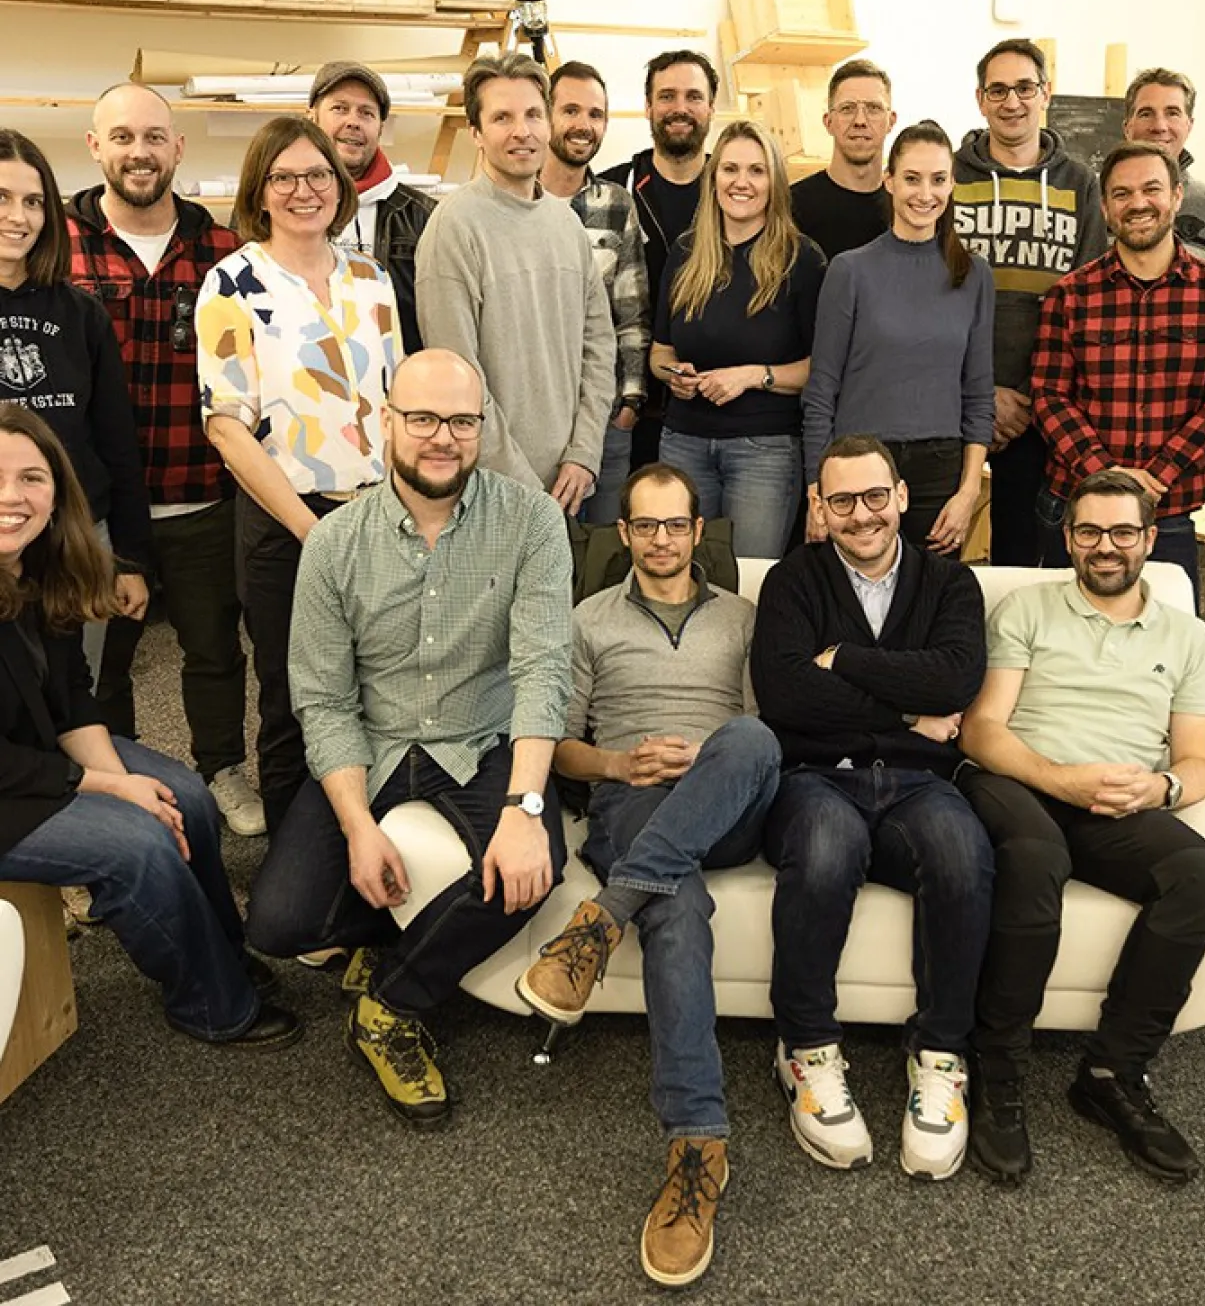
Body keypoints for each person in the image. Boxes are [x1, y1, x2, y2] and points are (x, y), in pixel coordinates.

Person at [245, 350, 572, 1127]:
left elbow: (542, 673)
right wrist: (358, 827)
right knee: (277, 923)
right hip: (377, 740)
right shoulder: (332, 543)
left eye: (462, 421)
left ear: (481, 430)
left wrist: (526, 809)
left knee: (536, 869)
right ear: (383, 422)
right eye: (422, 418)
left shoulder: (532, 522)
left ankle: (393, 1001)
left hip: (481, 737)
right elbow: (321, 701)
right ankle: (389, 938)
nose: (443, 438)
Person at [516, 462, 779, 1288]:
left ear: (699, 532)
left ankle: (597, 923)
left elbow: (767, 731)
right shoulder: (588, 620)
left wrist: (706, 757)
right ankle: (696, 1149)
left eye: (677, 525)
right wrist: (623, 762)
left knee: (752, 743)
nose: (662, 540)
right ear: (622, 534)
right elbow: (559, 745)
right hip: (631, 805)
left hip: (728, 799)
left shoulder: (744, 619)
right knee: (677, 906)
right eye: (645, 526)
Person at [0, 404, 300, 1050]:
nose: (11, 497)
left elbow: (74, 698)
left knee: (186, 798)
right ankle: (212, 1003)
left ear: (57, 489)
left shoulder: (41, 567)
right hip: (8, 786)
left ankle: (220, 953)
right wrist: (105, 788)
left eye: (31, 478)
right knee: (133, 844)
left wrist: (115, 778)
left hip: (39, 758)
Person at [960, 469, 1205, 1186]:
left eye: (1121, 533)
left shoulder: (1187, 633)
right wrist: (1058, 778)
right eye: (1088, 532)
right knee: (1034, 855)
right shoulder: (1027, 608)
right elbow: (982, 733)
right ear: (1068, 536)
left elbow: (1199, 760)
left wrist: (1161, 787)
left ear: (1149, 538)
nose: (1104, 547)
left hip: (1121, 801)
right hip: (1024, 781)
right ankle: (999, 1068)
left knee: (1199, 875)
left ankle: (1114, 1074)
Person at [751, 434, 992, 1181]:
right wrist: (903, 716)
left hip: (921, 784)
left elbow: (954, 679)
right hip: (815, 777)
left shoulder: (951, 585)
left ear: (902, 497)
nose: (862, 515)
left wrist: (847, 660)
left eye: (874, 497)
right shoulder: (793, 581)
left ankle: (941, 1056)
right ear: (819, 505)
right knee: (826, 849)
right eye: (842, 500)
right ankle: (807, 1048)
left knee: (964, 856)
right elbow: (786, 693)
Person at [67, 83, 263, 836]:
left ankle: (221, 770)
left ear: (178, 148)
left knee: (214, 650)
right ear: (96, 147)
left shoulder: (225, 252)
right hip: (95, 514)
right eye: (121, 137)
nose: (139, 152)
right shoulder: (64, 245)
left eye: (154, 137)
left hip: (202, 496)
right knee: (99, 666)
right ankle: (118, 787)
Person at [197, 117, 399, 833]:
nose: (303, 191)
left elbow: (397, 402)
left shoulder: (372, 279)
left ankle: (370, 840)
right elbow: (226, 425)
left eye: (318, 175)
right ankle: (296, 868)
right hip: (288, 524)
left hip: (378, 516)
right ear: (260, 189)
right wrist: (311, 528)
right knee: (296, 699)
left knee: (380, 687)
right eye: (283, 177)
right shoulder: (232, 283)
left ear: (339, 186)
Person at [1031, 141, 1205, 605]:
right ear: (1107, 209)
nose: (1137, 203)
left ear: (1176, 196)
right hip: (1076, 508)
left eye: (1151, 189)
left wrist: (1152, 477)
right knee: (1060, 652)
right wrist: (1105, 473)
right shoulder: (1069, 296)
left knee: (1163, 655)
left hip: (1167, 512)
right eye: (1121, 193)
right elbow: (1050, 397)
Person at [415, 51, 615, 515]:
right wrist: (521, 486)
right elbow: (457, 380)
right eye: (502, 117)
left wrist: (583, 454)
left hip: (568, 488)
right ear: (477, 134)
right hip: (487, 493)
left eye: (532, 115)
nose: (521, 131)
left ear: (548, 123)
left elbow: (600, 348)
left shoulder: (566, 227)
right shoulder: (453, 228)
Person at [803, 120, 994, 554]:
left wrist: (967, 495)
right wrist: (816, 492)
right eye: (912, 179)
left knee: (928, 606)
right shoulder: (849, 271)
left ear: (952, 185)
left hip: (940, 472)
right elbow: (821, 391)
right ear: (888, 181)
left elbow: (979, 395)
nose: (925, 194)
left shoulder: (974, 274)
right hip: (858, 469)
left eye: (938, 180)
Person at [0, 129, 149, 683]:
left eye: (34, 201)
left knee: (74, 686)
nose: (19, 217)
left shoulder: (82, 314)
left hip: (79, 537)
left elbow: (116, 443)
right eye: (3, 197)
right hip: (3, 524)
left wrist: (130, 559)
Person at [952, 38, 1108, 566]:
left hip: (1042, 408)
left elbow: (1083, 305)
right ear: (980, 99)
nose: (1011, 102)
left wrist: (1026, 396)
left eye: (1024, 88)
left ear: (1046, 92)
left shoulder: (1081, 184)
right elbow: (929, 298)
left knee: (1025, 558)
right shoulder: (948, 178)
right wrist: (980, 394)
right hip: (955, 399)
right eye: (998, 90)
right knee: (943, 546)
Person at [650, 120, 825, 559]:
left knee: (747, 579)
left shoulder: (801, 260)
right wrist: (675, 375)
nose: (741, 182)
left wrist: (751, 377)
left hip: (763, 451)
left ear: (775, 183)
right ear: (714, 179)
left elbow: (819, 369)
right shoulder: (687, 253)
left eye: (756, 171)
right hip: (683, 441)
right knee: (682, 578)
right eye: (729, 170)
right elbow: (659, 352)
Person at [538, 60, 650, 525]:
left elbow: (632, 313)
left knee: (601, 566)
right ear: (544, 116)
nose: (583, 125)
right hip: (533, 422)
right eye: (570, 111)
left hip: (604, 421)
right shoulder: (509, 206)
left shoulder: (617, 206)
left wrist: (628, 404)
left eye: (596, 114)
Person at [600, 49, 718, 470]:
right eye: (667, 96)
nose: (680, 108)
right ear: (648, 107)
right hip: (625, 411)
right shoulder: (610, 192)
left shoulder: (739, 194)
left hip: (715, 412)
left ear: (711, 108)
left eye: (693, 96)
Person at [308, 59, 436, 356]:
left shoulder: (423, 216)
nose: (353, 121)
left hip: (395, 388)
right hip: (304, 385)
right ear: (311, 117)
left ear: (380, 128)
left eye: (366, 113)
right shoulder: (278, 205)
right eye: (340, 108)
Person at [1122, 68, 1205, 288]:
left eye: (1172, 113)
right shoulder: (1093, 197)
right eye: (1145, 113)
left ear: (1189, 125)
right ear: (1127, 127)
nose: (1159, 126)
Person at [788, 60, 895, 262]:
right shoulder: (790, 207)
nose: (860, 121)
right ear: (828, 122)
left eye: (873, 108)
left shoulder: (904, 208)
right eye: (847, 108)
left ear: (891, 121)